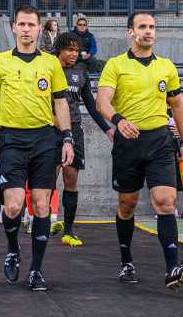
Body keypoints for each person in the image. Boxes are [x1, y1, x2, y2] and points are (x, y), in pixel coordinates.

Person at [96, 11, 183, 289]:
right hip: (128, 143)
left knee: (166, 202)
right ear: (131, 32)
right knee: (126, 205)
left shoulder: (166, 66)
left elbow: (177, 105)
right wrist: (118, 121)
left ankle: (172, 269)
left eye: (152, 27)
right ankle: (126, 260)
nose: (148, 31)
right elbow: (102, 102)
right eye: (142, 27)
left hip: (160, 142)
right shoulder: (115, 65)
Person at [0, 5, 73, 292]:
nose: (26, 29)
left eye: (31, 25)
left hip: (45, 140)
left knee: (42, 206)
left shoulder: (51, 63)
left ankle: (36, 269)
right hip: (11, 141)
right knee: (13, 206)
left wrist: (67, 137)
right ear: (13, 27)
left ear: (38, 28)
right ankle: (12, 249)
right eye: (21, 24)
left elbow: (60, 102)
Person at [50, 33, 111, 247]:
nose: (74, 54)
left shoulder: (81, 71)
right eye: (70, 50)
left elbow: (91, 105)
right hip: (49, 128)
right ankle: (42, 221)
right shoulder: (47, 67)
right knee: (47, 178)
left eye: (77, 50)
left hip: (75, 128)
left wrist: (108, 130)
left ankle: (68, 230)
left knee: (71, 178)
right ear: (59, 50)